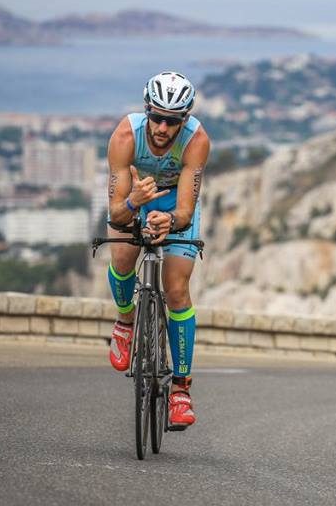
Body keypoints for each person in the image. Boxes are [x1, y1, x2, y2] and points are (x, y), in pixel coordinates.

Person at [105, 71, 211, 429]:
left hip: (176, 206)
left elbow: (184, 209)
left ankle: (181, 388)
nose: (163, 128)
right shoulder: (124, 136)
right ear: (147, 110)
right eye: (157, 118)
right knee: (121, 256)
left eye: (173, 121)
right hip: (136, 198)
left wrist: (171, 221)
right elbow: (115, 213)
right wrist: (134, 201)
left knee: (177, 289)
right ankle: (125, 320)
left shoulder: (196, 140)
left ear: (185, 119)